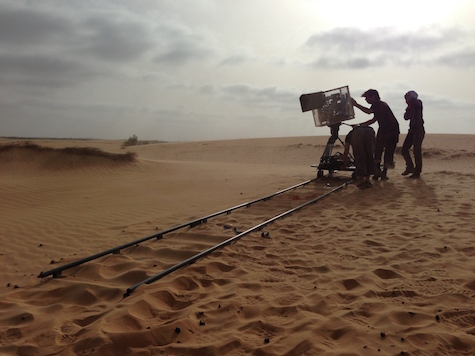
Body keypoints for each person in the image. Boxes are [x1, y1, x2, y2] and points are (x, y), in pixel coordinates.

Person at [351, 89, 399, 181]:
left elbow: (371, 116)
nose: (366, 100)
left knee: (380, 151)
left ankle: (380, 172)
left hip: (388, 130)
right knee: (385, 152)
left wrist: (356, 105)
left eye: (367, 98)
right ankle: (381, 173)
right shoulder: (380, 105)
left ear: (373, 96)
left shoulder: (379, 105)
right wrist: (360, 124)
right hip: (391, 130)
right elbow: (372, 116)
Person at [401, 90, 424, 178]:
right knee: (404, 150)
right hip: (412, 130)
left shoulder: (417, 103)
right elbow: (406, 118)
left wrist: (410, 105)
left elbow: (416, 103)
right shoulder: (410, 107)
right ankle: (410, 166)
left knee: (417, 151)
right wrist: (408, 109)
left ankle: (417, 172)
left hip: (418, 130)